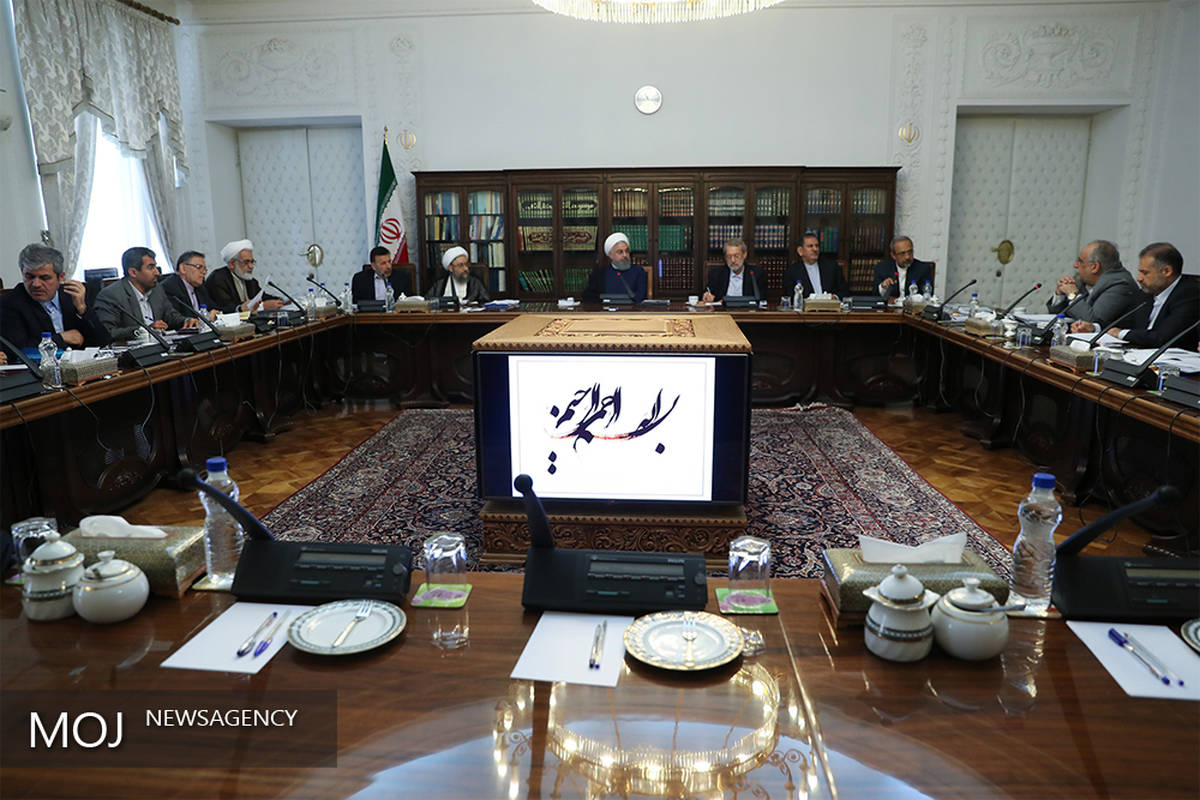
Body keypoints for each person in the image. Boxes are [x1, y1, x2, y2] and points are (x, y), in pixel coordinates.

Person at [1070, 243, 1198, 350]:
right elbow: (1124, 321)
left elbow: (1161, 337)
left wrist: (1121, 333)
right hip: (1139, 355)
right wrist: (1094, 328)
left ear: (1167, 271)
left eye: (1145, 273)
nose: (1139, 278)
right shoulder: (1146, 293)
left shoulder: (1190, 294)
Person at [0, 243, 110, 353]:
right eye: (30, 277)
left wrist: (83, 310)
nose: (36, 284)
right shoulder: (9, 303)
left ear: (61, 277)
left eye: (44, 278)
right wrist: (62, 338)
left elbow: (103, 341)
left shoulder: (71, 295)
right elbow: (17, 350)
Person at [94, 247, 193, 340]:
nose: (157, 273)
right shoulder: (111, 295)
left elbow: (170, 316)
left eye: (155, 266)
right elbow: (108, 332)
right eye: (151, 267)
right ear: (133, 272)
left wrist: (186, 321)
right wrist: (144, 330)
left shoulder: (157, 289)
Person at [1046, 240, 1140, 327]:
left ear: (1094, 267)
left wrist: (1072, 294)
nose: (1075, 265)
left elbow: (1092, 322)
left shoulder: (1120, 285)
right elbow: (1058, 319)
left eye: (1080, 261)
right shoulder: (1082, 280)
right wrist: (1060, 295)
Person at [205, 239, 285, 313]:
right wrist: (262, 306)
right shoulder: (218, 279)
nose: (251, 266)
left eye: (252, 262)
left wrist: (281, 301)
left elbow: (262, 297)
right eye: (246, 262)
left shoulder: (250, 280)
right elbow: (227, 307)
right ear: (232, 264)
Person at [583, 233, 647, 304]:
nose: (625, 255)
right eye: (620, 252)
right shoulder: (599, 274)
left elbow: (641, 297)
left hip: (632, 310)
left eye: (627, 251)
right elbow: (589, 297)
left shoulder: (639, 272)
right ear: (611, 255)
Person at [158, 251, 219, 322]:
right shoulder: (170, 287)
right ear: (183, 268)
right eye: (199, 267)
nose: (204, 272)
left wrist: (214, 312)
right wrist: (207, 317)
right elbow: (176, 319)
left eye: (205, 269)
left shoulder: (200, 287)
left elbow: (212, 307)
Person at [788, 232, 850, 299]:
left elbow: (845, 292)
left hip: (829, 305)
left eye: (817, 246)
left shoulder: (832, 267)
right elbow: (789, 297)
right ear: (800, 251)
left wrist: (834, 298)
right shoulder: (792, 271)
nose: (815, 249)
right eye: (810, 246)